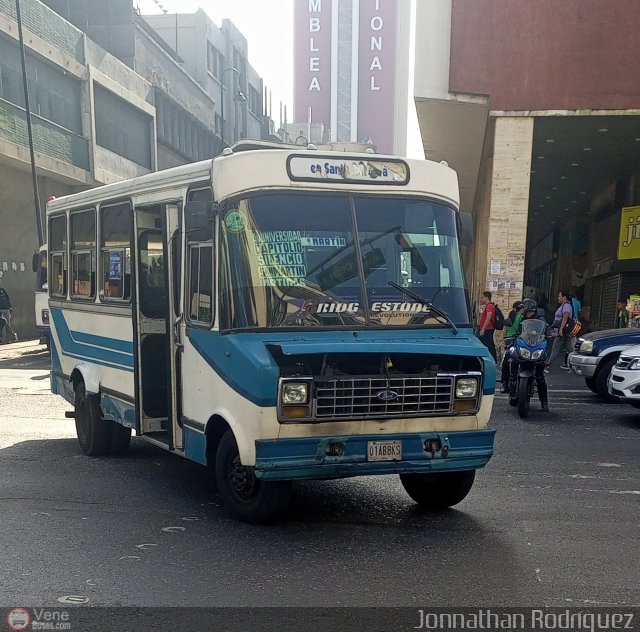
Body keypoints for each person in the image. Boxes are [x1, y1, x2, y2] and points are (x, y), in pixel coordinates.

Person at [505, 298, 549, 411]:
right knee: (509, 355)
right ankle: (508, 381)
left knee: (540, 377)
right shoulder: (522, 319)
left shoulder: (541, 320)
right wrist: (513, 336)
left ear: (530, 309)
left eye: (524, 308)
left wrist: (549, 334)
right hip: (524, 347)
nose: (523, 310)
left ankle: (544, 403)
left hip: (536, 349)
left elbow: (546, 332)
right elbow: (518, 333)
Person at [499, 301, 525, 392]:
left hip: (510, 340)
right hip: (515, 340)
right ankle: (506, 382)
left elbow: (505, 330)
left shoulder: (511, 317)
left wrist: (504, 339)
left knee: (506, 360)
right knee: (509, 358)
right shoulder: (521, 317)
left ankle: (504, 383)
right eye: (522, 309)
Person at [547, 289, 574, 371]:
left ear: (564, 297)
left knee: (555, 349)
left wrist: (561, 329)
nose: (558, 298)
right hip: (562, 331)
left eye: (559, 296)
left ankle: (547, 365)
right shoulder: (564, 306)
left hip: (562, 331)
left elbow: (565, 318)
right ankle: (576, 364)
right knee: (570, 349)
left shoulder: (566, 306)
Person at [478, 291, 497, 362]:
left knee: (489, 345)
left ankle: (492, 360)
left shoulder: (489, 306)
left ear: (487, 298)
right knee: (486, 344)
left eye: (482, 298)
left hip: (487, 329)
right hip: (487, 329)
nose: (481, 299)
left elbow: (488, 318)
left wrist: (483, 329)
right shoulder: (489, 306)